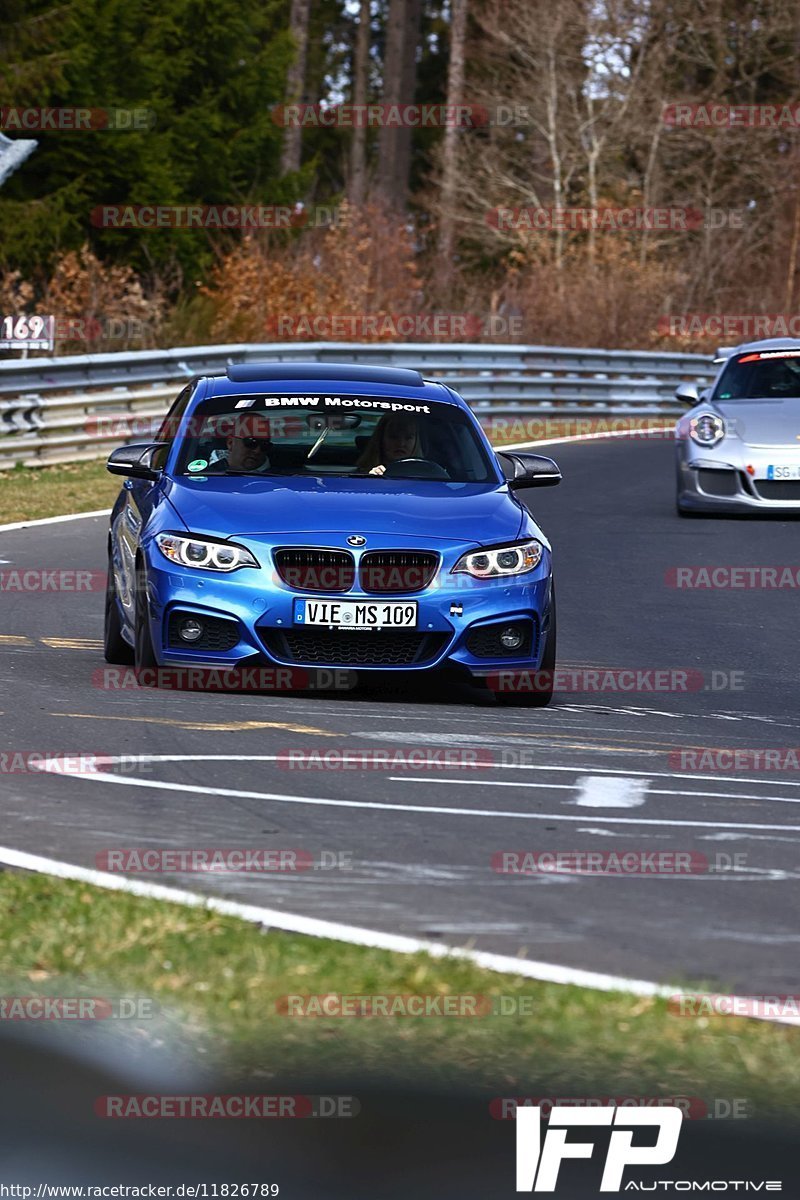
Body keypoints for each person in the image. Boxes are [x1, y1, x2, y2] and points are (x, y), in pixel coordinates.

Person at [356, 413, 423, 476]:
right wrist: (371, 479)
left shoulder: (427, 475)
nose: (401, 444)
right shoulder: (358, 475)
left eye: (408, 438)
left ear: (416, 441)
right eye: (394, 437)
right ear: (380, 439)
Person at [205, 413, 273, 473]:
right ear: (230, 443)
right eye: (251, 442)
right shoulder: (202, 474)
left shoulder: (279, 476)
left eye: (265, 445)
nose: (257, 451)